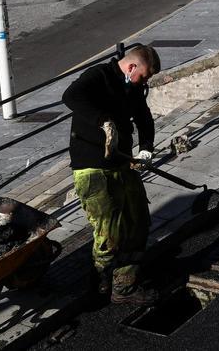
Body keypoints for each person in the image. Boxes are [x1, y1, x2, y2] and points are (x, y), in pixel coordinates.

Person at [62, 45, 162, 305]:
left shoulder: (133, 88)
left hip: (123, 164)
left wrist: (146, 150)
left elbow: (144, 118)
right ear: (131, 67)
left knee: (137, 221)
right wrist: (103, 120)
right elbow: (70, 96)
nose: (145, 82)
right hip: (92, 167)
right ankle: (100, 279)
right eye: (145, 76)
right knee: (109, 232)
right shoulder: (98, 76)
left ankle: (125, 286)